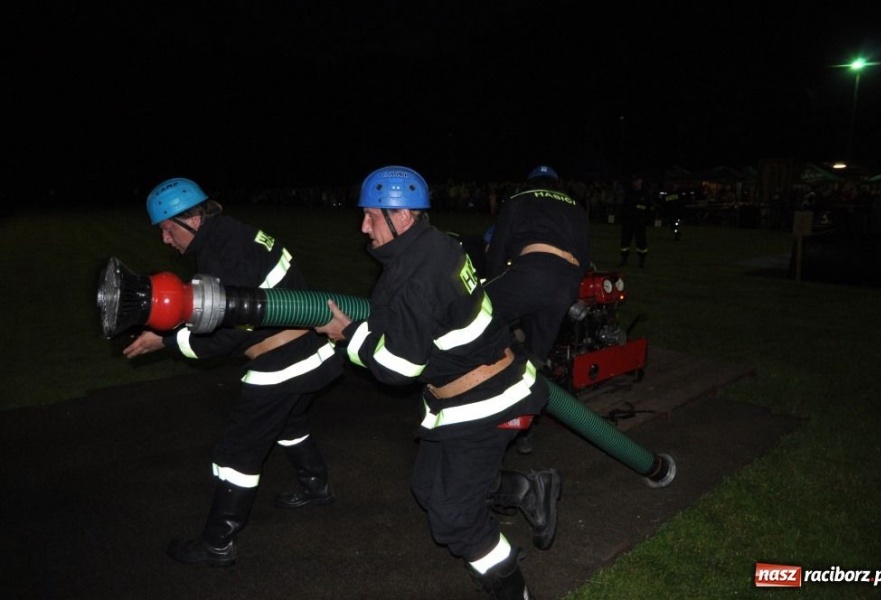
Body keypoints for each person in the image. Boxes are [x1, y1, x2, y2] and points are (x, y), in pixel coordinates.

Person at [315, 166, 560, 599]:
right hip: (474, 391)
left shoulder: (413, 279)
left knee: (454, 519)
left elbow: (397, 369)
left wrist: (348, 335)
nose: (363, 226)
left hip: (487, 402)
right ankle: (525, 488)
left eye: (371, 216)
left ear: (404, 217)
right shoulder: (436, 244)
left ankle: (511, 588)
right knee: (426, 487)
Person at [123, 177, 345, 567]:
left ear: (190, 218)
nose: (165, 240)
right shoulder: (233, 235)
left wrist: (167, 342)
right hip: (310, 352)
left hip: (285, 361)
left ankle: (217, 543)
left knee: (236, 453)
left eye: (167, 229)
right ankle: (316, 486)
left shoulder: (225, 258)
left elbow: (223, 339)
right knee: (290, 421)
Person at [483, 165, 590, 454]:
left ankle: (477, 408)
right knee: (533, 363)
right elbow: (585, 254)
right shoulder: (576, 206)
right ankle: (524, 433)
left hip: (533, 271)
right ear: (557, 183)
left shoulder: (519, 199)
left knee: (474, 320)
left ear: (529, 182)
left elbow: (498, 250)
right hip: (565, 283)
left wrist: (488, 289)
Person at [618, 173, 653, 267]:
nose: (635, 183)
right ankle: (623, 259)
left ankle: (642, 261)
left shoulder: (645, 194)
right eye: (634, 181)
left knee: (641, 243)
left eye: (637, 181)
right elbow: (624, 206)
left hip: (640, 223)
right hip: (628, 222)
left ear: (640, 181)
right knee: (625, 242)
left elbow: (649, 208)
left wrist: (646, 219)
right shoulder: (629, 193)